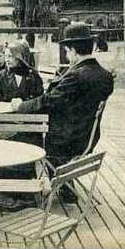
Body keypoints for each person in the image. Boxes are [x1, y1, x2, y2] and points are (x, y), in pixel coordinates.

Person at [11, 21, 114, 170]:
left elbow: (49, 102)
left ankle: (22, 185)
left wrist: (21, 106)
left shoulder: (76, 76)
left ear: (73, 50)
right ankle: (59, 187)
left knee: (19, 140)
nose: (67, 56)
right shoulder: (105, 75)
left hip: (65, 141)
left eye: (66, 51)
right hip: (87, 138)